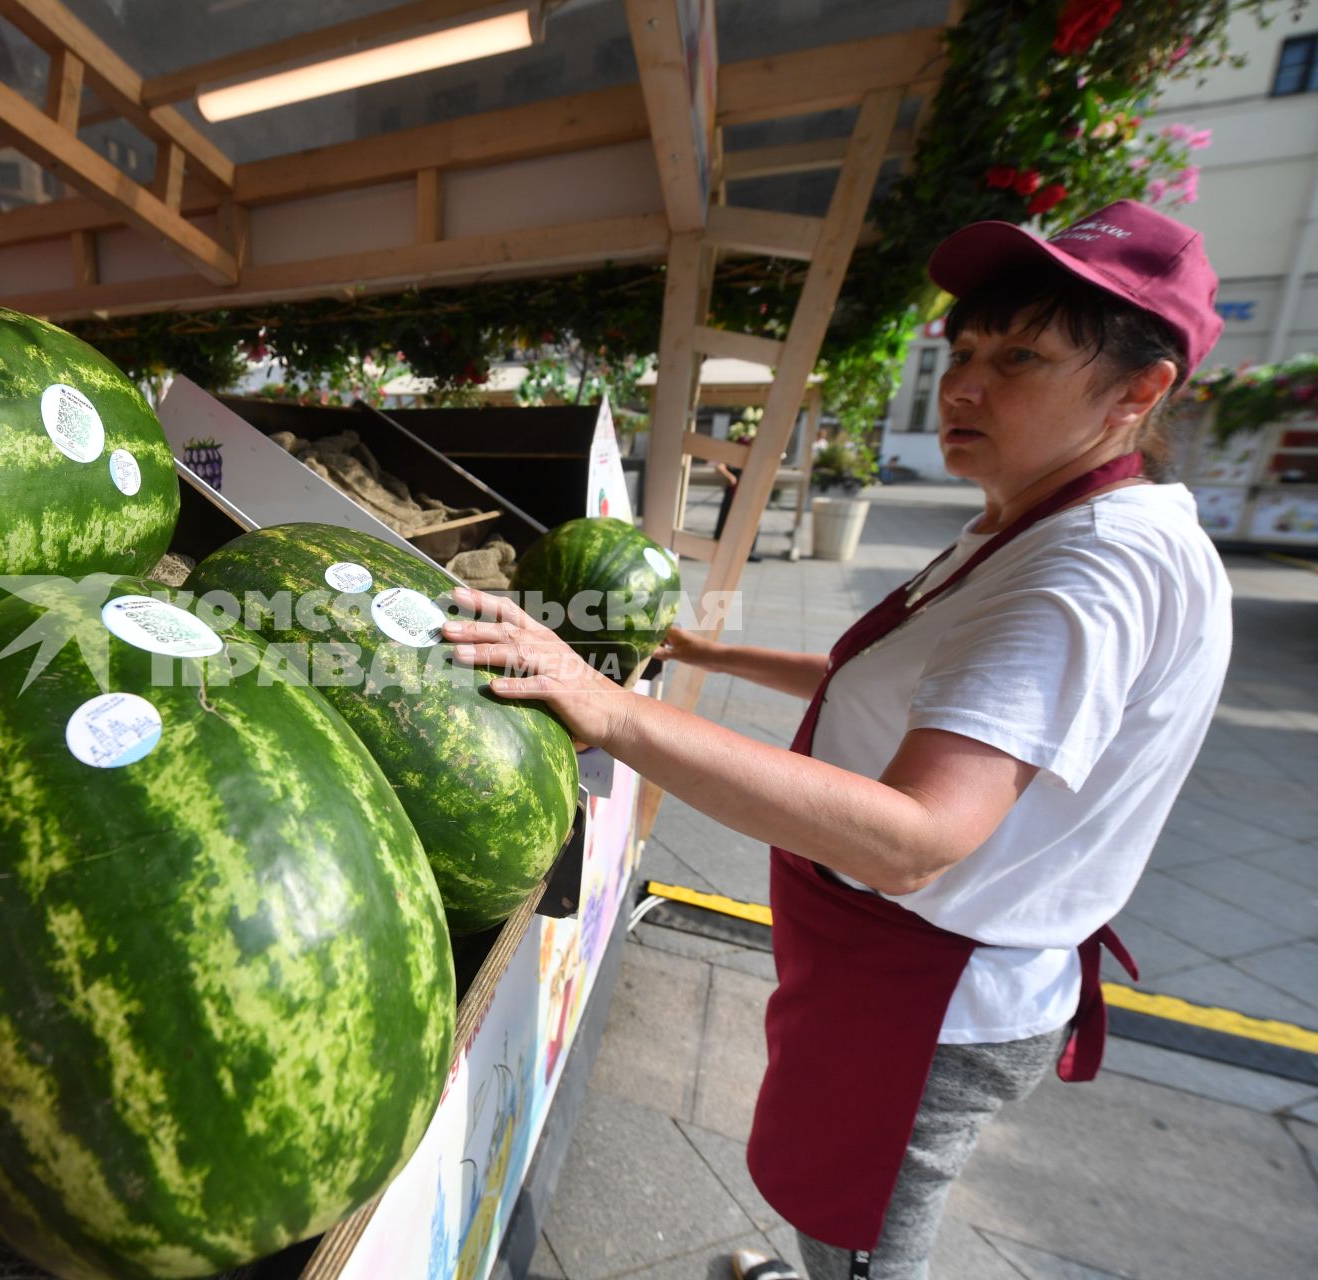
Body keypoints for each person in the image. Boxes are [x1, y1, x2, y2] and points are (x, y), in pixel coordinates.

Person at [441, 200, 1230, 1280]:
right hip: (903, 969)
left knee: (865, 1233)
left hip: (930, 1000)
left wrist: (609, 705)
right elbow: (933, 703)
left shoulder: (1083, 570)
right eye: (962, 349)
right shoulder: (1037, 518)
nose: (963, 383)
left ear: (1140, 392)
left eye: (1022, 356)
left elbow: (913, 836)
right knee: (832, 1197)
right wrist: (708, 656)